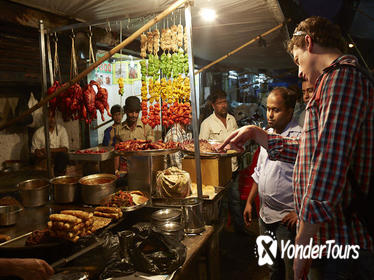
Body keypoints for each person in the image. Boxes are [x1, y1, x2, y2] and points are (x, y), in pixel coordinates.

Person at [221, 16, 373, 280]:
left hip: (340, 238)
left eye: (298, 59)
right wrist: (258, 135)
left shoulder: (342, 79)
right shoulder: (330, 82)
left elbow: (328, 162)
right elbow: (311, 149)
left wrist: (303, 239)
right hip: (327, 235)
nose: (300, 72)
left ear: (309, 43)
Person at [244, 87, 302, 280]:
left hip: (286, 220)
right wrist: (250, 202)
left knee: (291, 270)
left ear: (290, 111)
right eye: (268, 109)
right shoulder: (266, 135)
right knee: (271, 267)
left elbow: (310, 180)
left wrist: (299, 212)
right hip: (264, 217)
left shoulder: (299, 137)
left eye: (276, 110)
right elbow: (259, 172)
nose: (269, 114)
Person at [199, 89, 243, 231]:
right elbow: (202, 147)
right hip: (217, 170)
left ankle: (239, 229)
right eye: (219, 103)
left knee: (235, 200)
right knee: (221, 203)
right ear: (213, 105)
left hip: (233, 168)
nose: (223, 105)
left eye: (225, 102)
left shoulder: (232, 119)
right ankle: (221, 233)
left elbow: (237, 141)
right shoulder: (207, 124)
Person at [31, 109, 69, 176]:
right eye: (49, 116)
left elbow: (65, 149)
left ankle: (58, 177)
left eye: (53, 116)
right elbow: (34, 151)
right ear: (44, 118)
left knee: (63, 156)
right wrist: (38, 152)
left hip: (58, 160)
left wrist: (48, 150)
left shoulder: (62, 130)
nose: (51, 119)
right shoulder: (38, 133)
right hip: (44, 160)